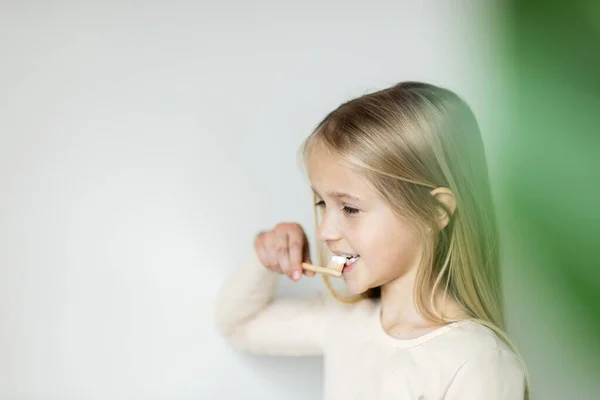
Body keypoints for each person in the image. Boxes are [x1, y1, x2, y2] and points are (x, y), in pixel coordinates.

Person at [215, 81, 528, 399]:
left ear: (435, 211)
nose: (324, 231)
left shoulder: (477, 363)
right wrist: (266, 256)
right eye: (322, 203)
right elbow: (240, 324)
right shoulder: (346, 322)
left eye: (349, 208)